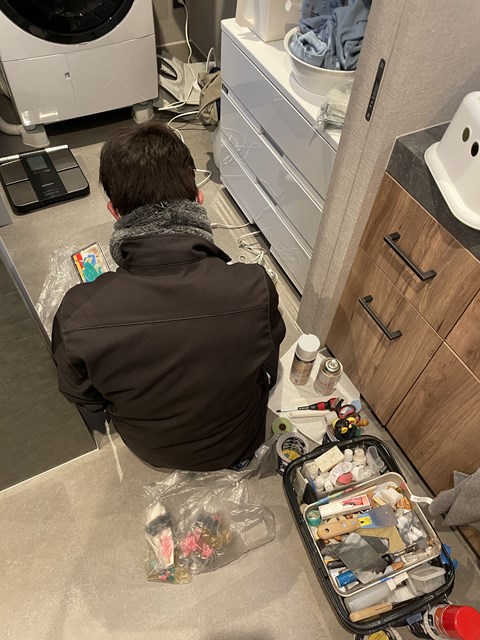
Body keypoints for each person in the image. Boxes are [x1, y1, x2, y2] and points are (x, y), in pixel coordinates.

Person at [52, 122, 286, 471]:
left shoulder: (77, 314)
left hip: (153, 451)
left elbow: (83, 397)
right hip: (239, 442)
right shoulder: (255, 286)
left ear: (115, 212)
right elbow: (268, 362)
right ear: (198, 200)